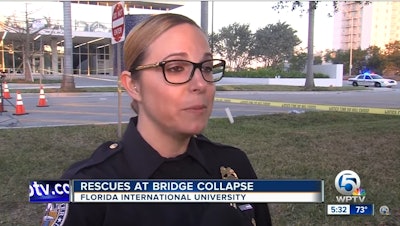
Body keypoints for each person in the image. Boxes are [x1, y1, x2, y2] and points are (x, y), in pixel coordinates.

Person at [48, 13, 272, 226]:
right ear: (133, 85)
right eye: (175, 68)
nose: (201, 84)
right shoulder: (82, 190)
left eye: (206, 68)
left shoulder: (234, 165)